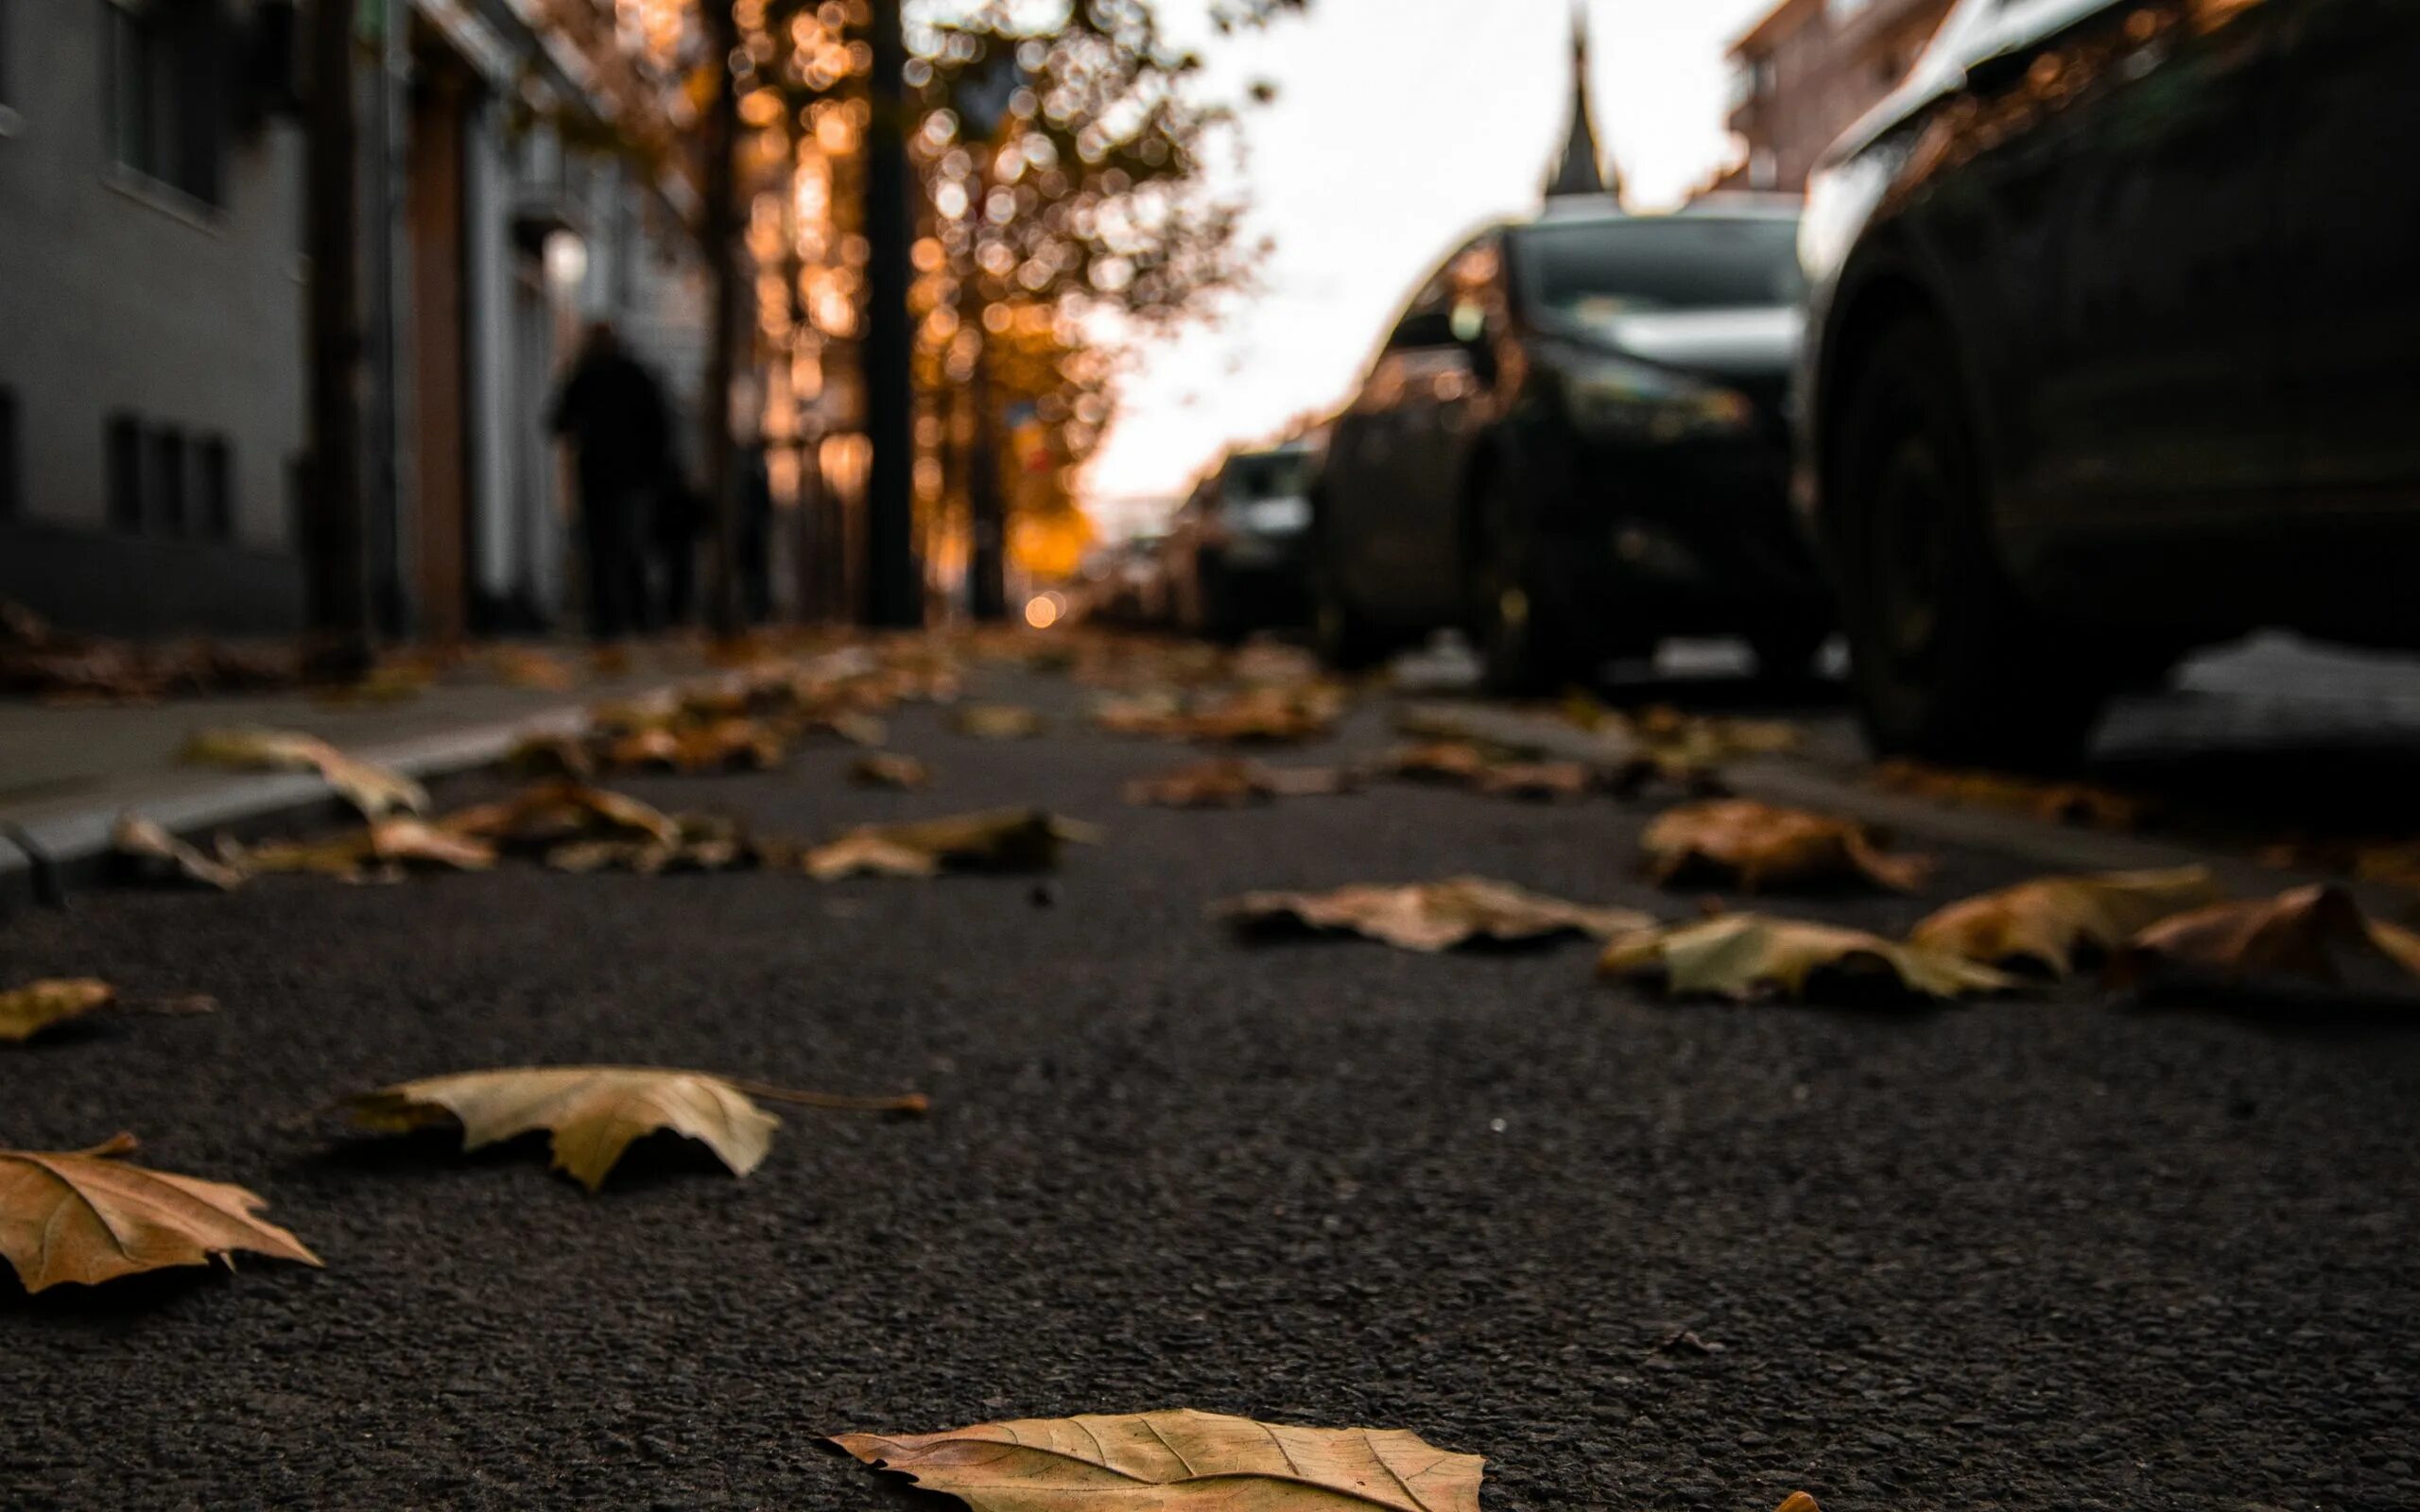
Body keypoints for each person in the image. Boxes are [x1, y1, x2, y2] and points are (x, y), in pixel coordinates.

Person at [547, 322, 669, 641]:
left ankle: (611, 621)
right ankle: (635, 619)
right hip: (624, 478)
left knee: (607, 548)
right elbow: (659, 428)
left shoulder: (587, 376)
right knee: (627, 547)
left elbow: (558, 421)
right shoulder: (631, 376)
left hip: (604, 477)